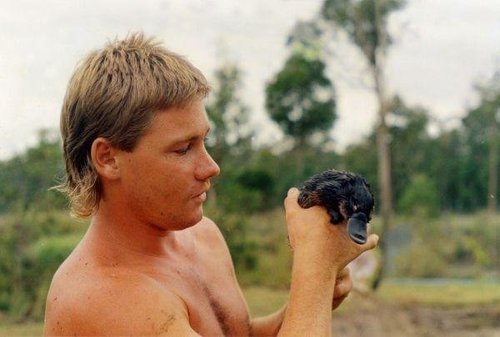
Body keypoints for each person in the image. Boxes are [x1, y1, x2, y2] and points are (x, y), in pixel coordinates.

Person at [43, 33, 378, 337]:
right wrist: (315, 267)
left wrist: (307, 302)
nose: (211, 167)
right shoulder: (105, 299)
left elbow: (236, 334)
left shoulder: (203, 236)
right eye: (183, 148)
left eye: (204, 141)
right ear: (108, 158)